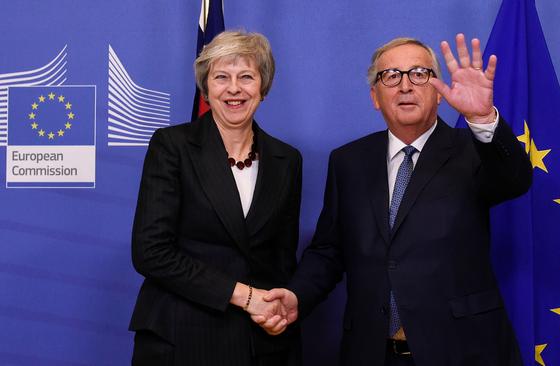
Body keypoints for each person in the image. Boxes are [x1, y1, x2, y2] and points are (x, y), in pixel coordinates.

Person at [257, 34, 532, 365]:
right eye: (391, 76)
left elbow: (516, 180)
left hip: (462, 351)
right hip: (372, 352)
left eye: (419, 74)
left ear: (439, 91)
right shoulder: (348, 161)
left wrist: (483, 119)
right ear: (375, 96)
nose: (405, 86)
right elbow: (329, 250)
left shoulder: (474, 150)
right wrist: (296, 295)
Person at [128, 30, 302, 366]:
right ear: (206, 87)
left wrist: (277, 314)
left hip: (261, 344)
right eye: (221, 77)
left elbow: (282, 261)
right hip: (180, 338)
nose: (234, 88)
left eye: (246, 77)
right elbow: (150, 252)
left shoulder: (287, 160)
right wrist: (245, 296)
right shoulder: (172, 146)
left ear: (263, 87)